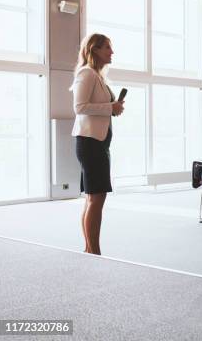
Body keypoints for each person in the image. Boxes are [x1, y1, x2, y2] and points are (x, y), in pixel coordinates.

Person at [71, 33, 124, 255]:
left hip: (98, 143)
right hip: (90, 143)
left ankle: (90, 249)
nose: (112, 52)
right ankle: (94, 251)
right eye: (107, 48)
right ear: (94, 49)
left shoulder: (98, 76)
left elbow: (98, 108)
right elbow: (80, 107)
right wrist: (109, 108)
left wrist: (113, 108)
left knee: (94, 197)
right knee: (97, 197)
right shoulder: (86, 73)